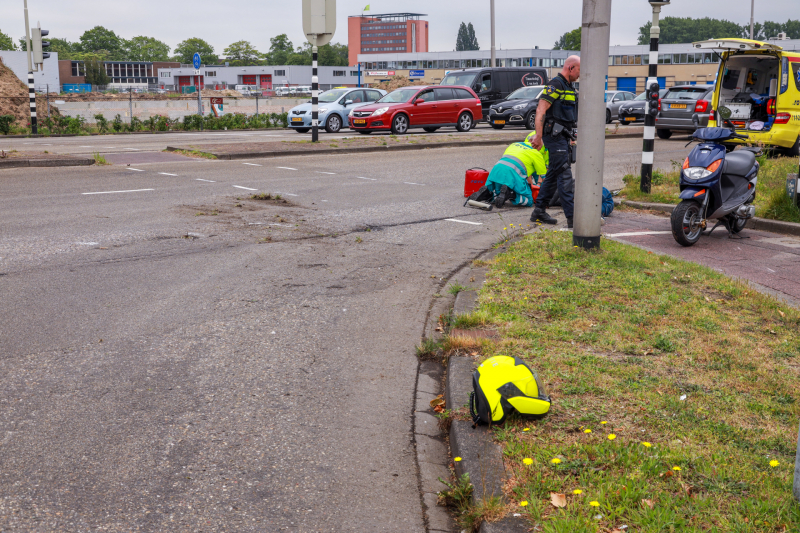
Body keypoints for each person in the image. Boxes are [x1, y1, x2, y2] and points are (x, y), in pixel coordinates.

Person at [530, 55, 580, 228]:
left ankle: (539, 211)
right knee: (564, 173)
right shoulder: (555, 85)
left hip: (564, 137)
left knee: (553, 174)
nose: (580, 74)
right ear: (571, 67)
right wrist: (538, 135)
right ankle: (573, 218)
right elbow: (541, 109)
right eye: (579, 70)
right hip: (553, 136)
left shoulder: (569, 87)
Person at [469, 131, 549, 208]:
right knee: (529, 201)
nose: (540, 148)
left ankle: (488, 193)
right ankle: (511, 194)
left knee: (498, 194)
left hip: (496, 172)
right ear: (536, 144)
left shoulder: (514, 144)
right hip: (512, 174)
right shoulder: (537, 154)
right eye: (540, 146)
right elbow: (544, 177)